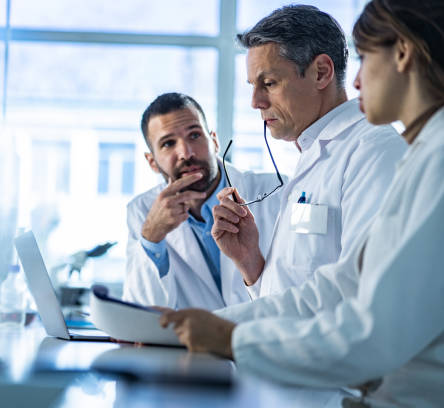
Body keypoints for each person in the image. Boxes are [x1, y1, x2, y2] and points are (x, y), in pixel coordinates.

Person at [161, 0, 444, 406]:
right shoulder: (324, 156)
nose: (359, 79)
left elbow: (370, 324)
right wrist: (239, 292)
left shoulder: (387, 153)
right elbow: (334, 284)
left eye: (269, 83)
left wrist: (233, 339)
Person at [210, 5, 407, 299]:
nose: (255, 102)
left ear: (321, 73)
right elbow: (297, 289)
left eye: (269, 83)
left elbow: (366, 296)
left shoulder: (373, 152)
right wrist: (251, 263)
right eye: (253, 86)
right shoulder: (314, 155)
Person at [123, 92, 284, 310]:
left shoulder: (276, 193)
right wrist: (152, 238)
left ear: (214, 141)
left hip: (262, 339)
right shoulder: (141, 212)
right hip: (191, 344)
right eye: (168, 143)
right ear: (152, 161)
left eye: (195, 136)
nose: (186, 153)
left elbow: (299, 293)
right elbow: (140, 316)